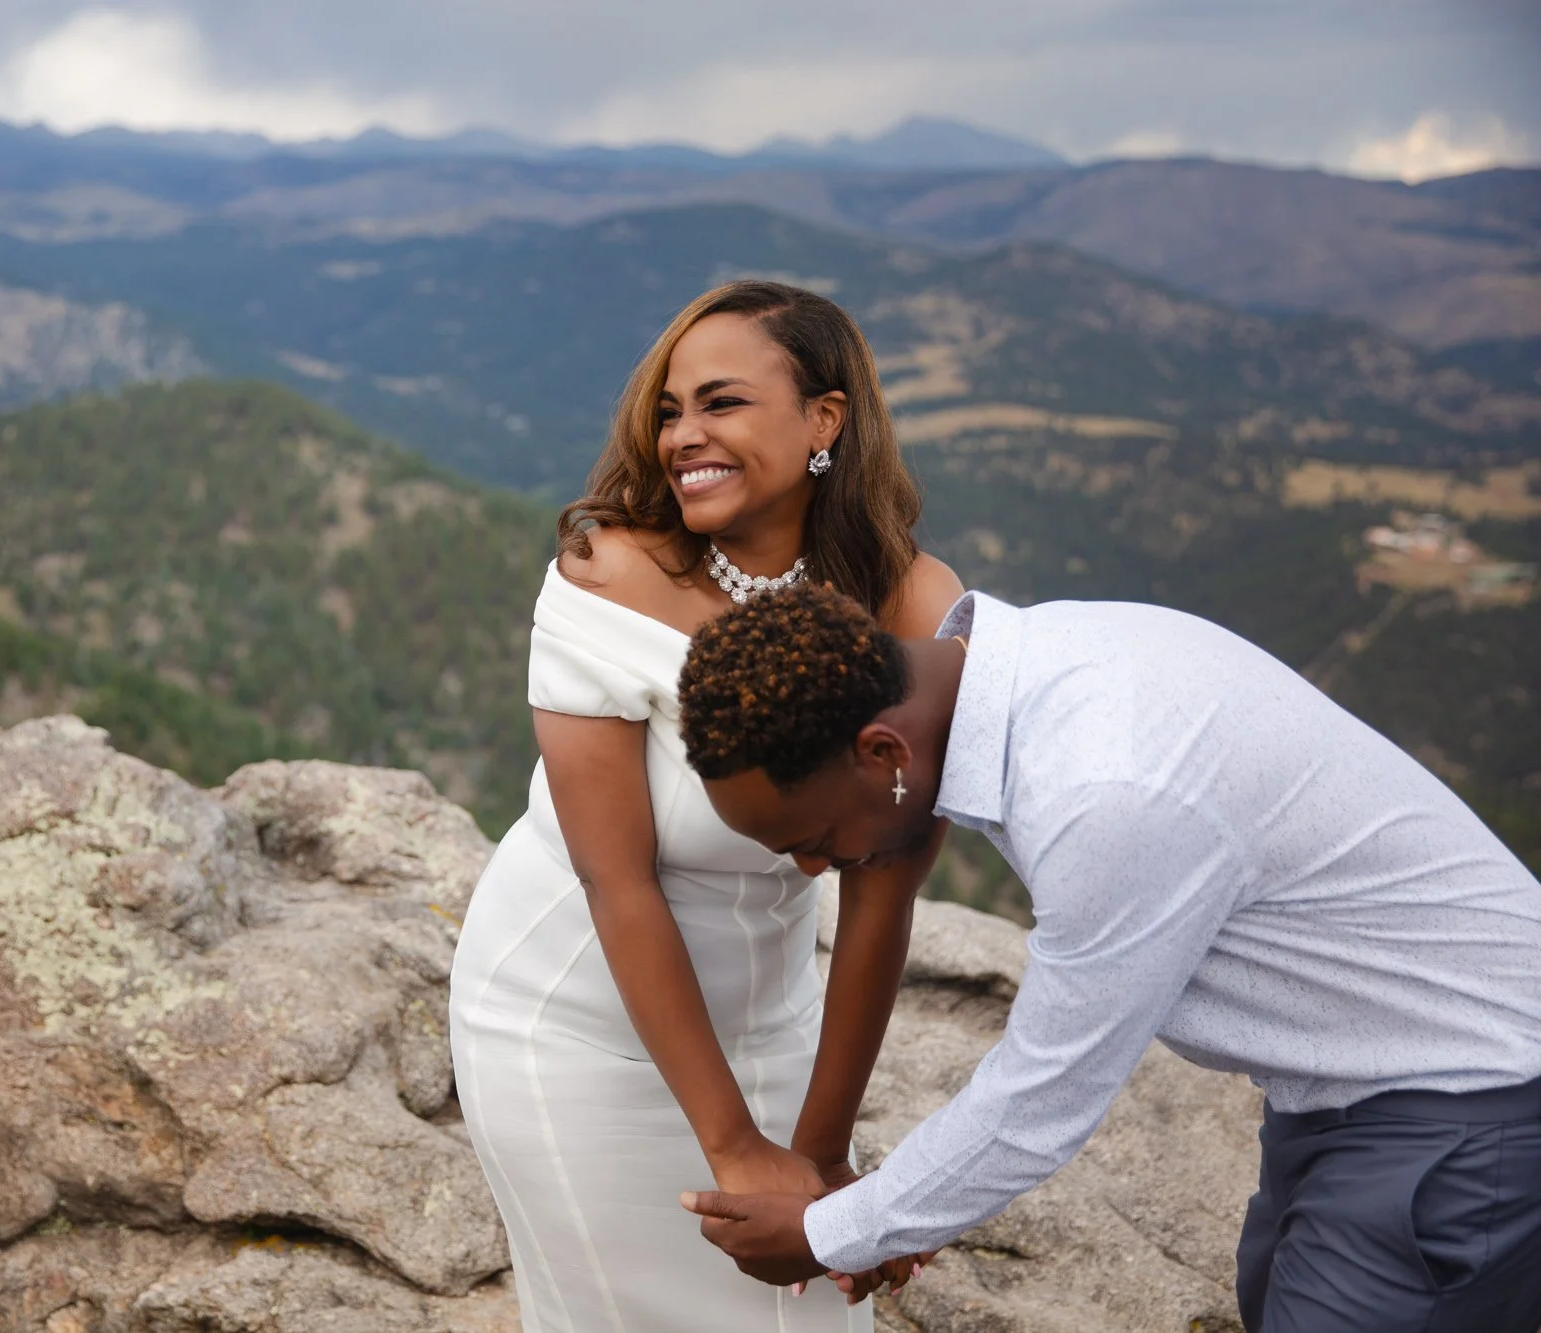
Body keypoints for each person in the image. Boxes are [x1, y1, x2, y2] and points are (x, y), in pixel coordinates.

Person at [673, 582, 1541, 1333]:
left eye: (816, 838)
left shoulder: (1104, 785)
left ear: (883, 752)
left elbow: (1043, 1096)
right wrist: (900, 1215)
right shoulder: (1046, 664)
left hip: (1463, 1101)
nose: (814, 868)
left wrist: (833, 1231)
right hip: (1356, 1089)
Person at [447, 280, 963, 1330]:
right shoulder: (608, 576)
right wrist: (732, 1149)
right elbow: (614, 878)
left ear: (824, 418)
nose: (684, 435)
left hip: (772, 1028)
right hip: (571, 1031)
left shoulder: (913, 605)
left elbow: (882, 890)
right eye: (669, 411)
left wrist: (817, 1158)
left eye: (719, 404)